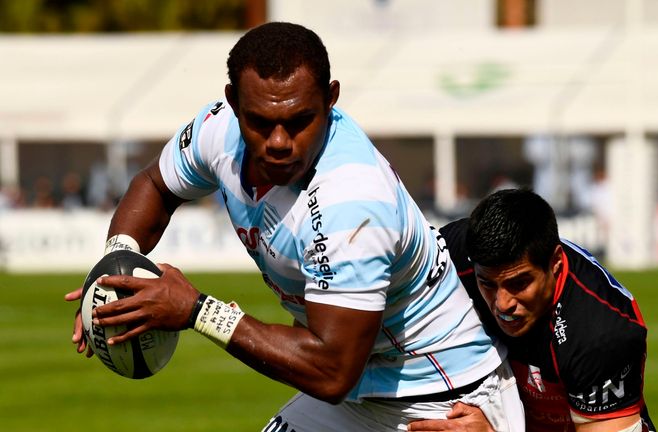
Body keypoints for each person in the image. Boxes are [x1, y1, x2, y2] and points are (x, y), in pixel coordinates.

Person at [65, 22, 523, 432]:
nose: (280, 142)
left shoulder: (352, 202)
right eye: (261, 123)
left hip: (444, 399)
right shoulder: (217, 130)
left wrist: (197, 310)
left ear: (331, 99)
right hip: (361, 391)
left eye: (300, 121)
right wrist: (114, 269)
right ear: (233, 104)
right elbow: (154, 184)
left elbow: (331, 370)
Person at [409, 189, 656, 432]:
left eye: (519, 283)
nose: (502, 304)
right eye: (487, 284)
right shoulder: (457, 256)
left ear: (555, 263)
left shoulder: (599, 333)